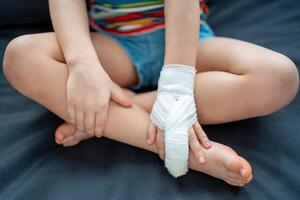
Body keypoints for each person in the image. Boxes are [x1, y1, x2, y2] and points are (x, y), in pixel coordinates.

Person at [3, 0, 299, 186]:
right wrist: (84, 65)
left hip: (187, 44)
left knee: (279, 76)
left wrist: (177, 89)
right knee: (21, 55)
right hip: (114, 46)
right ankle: (179, 147)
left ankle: (112, 111)